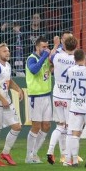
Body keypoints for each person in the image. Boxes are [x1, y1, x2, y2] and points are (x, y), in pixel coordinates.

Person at [0, 43, 25, 167]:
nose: (7, 53)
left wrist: (18, 89)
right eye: (4, 51)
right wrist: (2, 99)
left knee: (17, 127)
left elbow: (9, 81)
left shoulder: (7, 65)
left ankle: (6, 153)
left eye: (8, 51)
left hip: (6, 102)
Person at [24, 36, 56, 164]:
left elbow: (51, 69)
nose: (46, 49)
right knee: (36, 126)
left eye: (47, 46)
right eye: (43, 47)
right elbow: (34, 70)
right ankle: (28, 155)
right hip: (35, 97)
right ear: (37, 47)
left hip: (47, 95)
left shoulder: (46, 58)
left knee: (47, 126)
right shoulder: (32, 58)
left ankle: (34, 153)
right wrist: (44, 57)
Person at [46, 34, 77, 165]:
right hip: (69, 97)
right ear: (76, 46)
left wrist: (55, 45)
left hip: (57, 94)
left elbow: (50, 58)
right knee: (69, 128)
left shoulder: (57, 56)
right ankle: (67, 159)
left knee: (59, 125)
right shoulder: (76, 59)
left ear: (64, 45)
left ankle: (50, 150)